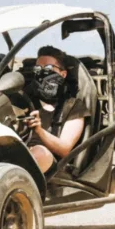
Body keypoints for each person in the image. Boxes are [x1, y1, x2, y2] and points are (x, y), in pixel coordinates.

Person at [25, 45, 87, 173]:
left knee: (38, 153)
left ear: (63, 74)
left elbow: (64, 149)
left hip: (50, 163)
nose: (42, 72)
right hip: (20, 153)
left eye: (48, 68)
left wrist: (39, 130)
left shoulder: (73, 106)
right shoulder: (24, 99)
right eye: (38, 68)